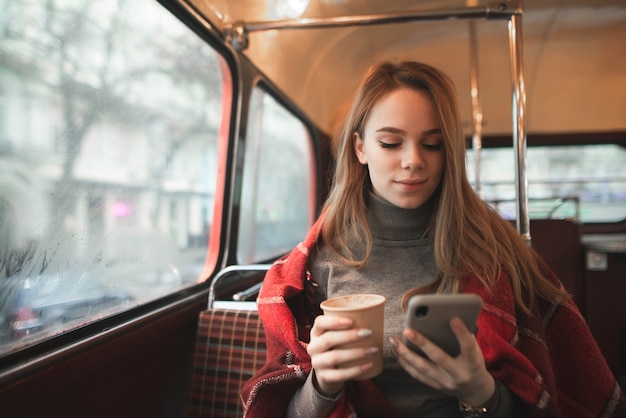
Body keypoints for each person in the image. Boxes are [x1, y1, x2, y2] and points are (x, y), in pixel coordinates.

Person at [241, 61, 626, 417]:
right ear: (360, 148)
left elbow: (545, 405)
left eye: (432, 143)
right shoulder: (312, 269)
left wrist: (483, 392)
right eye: (391, 143)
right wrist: (322, 384)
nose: (413, 160)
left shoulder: (497, 254)